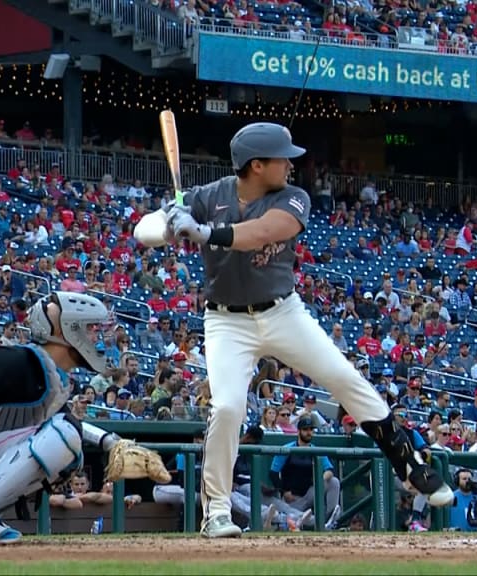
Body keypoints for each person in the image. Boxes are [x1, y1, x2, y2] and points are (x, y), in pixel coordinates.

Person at [139, 122, 452, 539]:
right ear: (256, 165)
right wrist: (168, 223)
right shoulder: (208, 197)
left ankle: (410, 466)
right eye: (282, 158)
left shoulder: (293, 196)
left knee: (344, 377)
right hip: (227, 321)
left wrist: (206, 232)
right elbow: (143, 232)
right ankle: (215, 510)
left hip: (282, 312)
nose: (290, 163)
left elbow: (266, 232)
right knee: (228, 407)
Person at [0, 291, 169, 545]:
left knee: (70, 448)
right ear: (68, 330)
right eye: (91, 328)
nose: (98, 337)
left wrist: (112, 443)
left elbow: (69, 422)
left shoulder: (50, 374)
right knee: (65, 434)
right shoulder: (17, 359)